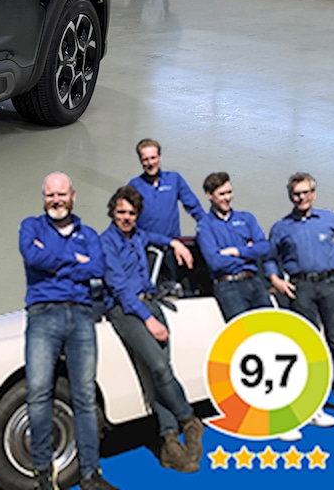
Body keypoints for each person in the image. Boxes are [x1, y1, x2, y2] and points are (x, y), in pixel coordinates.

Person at [20, 173, 118, 490]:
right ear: (43, 197)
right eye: (50, 195)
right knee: (38, 393)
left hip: (81, 316)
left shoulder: (89, 234)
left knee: (85, 397)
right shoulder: (31, 227)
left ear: (73, 195)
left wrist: (54, 264)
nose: (56, 200)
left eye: (61, 194)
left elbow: (97, 268)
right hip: (43, 315)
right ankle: (43, 477)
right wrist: (75, 261)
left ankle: (90, 475)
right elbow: (32, 256)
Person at [101, 185, 203, 472]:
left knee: (161, 372)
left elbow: (156, 237)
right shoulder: (106, 243)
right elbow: (120, 290)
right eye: (121, 212)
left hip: (151, 302)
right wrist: (149, 319)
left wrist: (175, 244)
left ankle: (169, 443)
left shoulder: (139, 235)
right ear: (112, 212)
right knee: (158, 367)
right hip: (126, 310)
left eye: (132, 213)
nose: (126, 218)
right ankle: (189, 420)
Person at [266, 172, 334, 416]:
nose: (301, 198)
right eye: (296, 194)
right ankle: (312, 400)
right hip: (301, 289)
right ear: (290, 196)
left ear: (313, 193)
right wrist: (276, 280)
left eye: (305, 193)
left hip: (330, 285)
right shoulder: (281, 227)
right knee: (308, 345)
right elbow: (269, 258)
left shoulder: (328, 218)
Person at [196, 172, 271, 320]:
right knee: (242, 330)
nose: (227, 198)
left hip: (254, 281)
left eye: (229, 192)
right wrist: (249, 255)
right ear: (209, 195)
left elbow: (264, 247)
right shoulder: (205, 226)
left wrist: (236, 252)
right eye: (222, 194)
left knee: (268, 326)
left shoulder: (247, 218)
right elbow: (215, 262)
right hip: (227, 286)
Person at [128, 139, 202, 283]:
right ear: (140, 161)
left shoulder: (174, 180)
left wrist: (211, 230)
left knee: (177, 285)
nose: (150, 163)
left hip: (173, 249)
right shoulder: (134, 186)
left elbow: (195, 208)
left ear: (159, 157)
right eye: (145, 159)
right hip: (146, 250)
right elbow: (125, 222)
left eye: (153, 158)